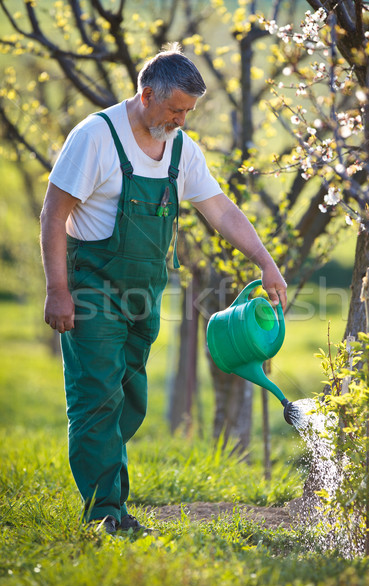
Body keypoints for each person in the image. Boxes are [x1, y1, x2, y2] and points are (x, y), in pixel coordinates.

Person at [40, 43, 287, 534]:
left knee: (131, 399)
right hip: (91, 288)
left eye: (188, 112)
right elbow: (53, 213)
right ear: (146, 94)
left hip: (142, 295)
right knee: (97, 397)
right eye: (175, 109)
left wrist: (265, 261)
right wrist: (57, 289)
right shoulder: (96, 137)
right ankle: (105, 513)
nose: (180, 120)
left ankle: (101, 480)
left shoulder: (179, 148)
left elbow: (220, 211)